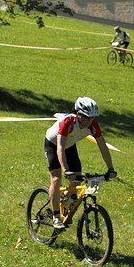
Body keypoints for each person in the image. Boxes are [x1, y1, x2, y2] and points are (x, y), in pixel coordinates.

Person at [44, 97, 116, 229]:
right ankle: (56, 217)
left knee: (76, 181)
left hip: (70, 146)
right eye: (86, 117)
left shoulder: (93, 125)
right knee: (56, 179)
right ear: (78, 114)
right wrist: (65, 170)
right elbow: (60, 147)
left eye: (92, 118)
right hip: (53, 145)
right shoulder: (68, 122)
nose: (89, 121)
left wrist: (110, 168)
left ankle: (63, 201)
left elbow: (103, 146)